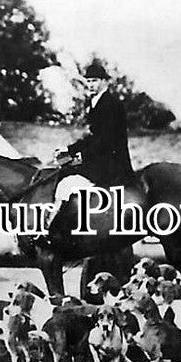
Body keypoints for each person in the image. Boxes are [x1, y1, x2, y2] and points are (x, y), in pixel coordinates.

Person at [39, 62, 133, 242]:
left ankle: (55, 228)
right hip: (100, 157)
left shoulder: (111, 104)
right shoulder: (95, 103)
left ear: (106, 82)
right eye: (88, 81)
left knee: (66, 179)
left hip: (111, 163)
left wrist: (80, 156)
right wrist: (69, 150)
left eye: (95, 81)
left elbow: (106, 140)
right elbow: (93, 137)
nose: (90, 85)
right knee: (63, 169)